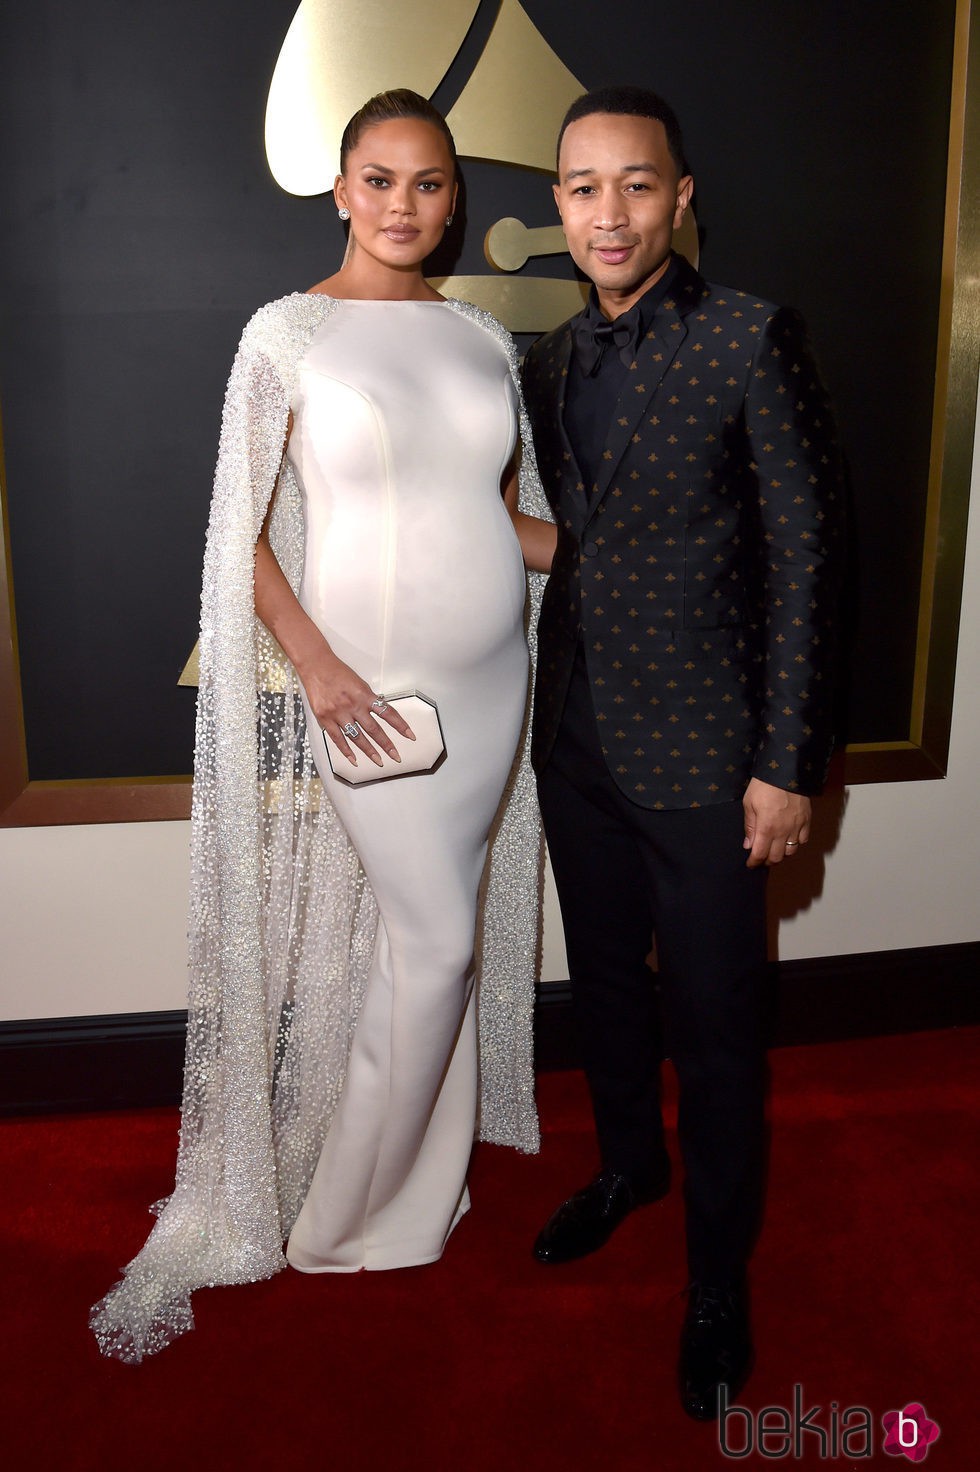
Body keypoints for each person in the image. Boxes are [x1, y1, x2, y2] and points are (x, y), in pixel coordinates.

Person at [90, 88, 555, 1362]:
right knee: (439, 939)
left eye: (428, 182)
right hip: (370, 694)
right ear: (340, 187)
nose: (403, 203)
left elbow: (496, 516)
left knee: (435, 947)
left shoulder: (476, 342)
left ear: (453, 198)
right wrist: (321, 669)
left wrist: (614, 552)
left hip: (488, 685)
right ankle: (342, 1215)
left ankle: (422, 1186)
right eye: (379, 178)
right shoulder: (284, 335)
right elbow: (234, 535)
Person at [520, 86, 843, 1420]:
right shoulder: (546, 359)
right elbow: (583, 542)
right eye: (585, 187)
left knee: (716, 1034)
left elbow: (813, 562)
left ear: (681, 195)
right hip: (579, 737)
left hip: (714, 760)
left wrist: (790, 764)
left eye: (636, 185)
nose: (609, 212)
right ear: (557, 205)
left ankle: (718, 1281)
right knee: (603, 986)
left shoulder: (750, 338)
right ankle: (624, 1169)